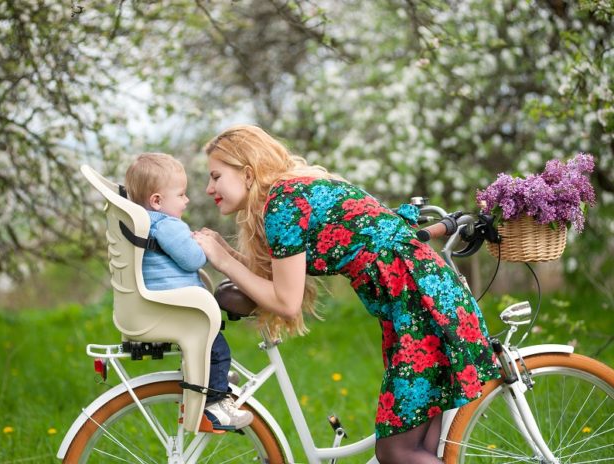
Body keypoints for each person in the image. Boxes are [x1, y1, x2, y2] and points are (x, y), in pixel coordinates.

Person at [193, 126, 500, 463]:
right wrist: (224, 254)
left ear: (247, 173)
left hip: (420, 308)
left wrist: (222, 259)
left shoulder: (283, 204)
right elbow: (275, 278)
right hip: (420, 300)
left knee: (397, 452)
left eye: (216, 176)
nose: (209, 188)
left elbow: (286, 301)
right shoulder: (288, 195)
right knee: (419, 451)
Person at [124, 152, 253, 430]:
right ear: (157, 200)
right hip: (179, 308)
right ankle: (217, 402)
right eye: (181, 194)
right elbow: (192, 259)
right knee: (216, 347)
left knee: (207, 344)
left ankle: (208, 376)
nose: (187, 200)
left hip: (161, 307)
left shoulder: (146, 223)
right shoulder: (166, 224)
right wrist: (201, 245)